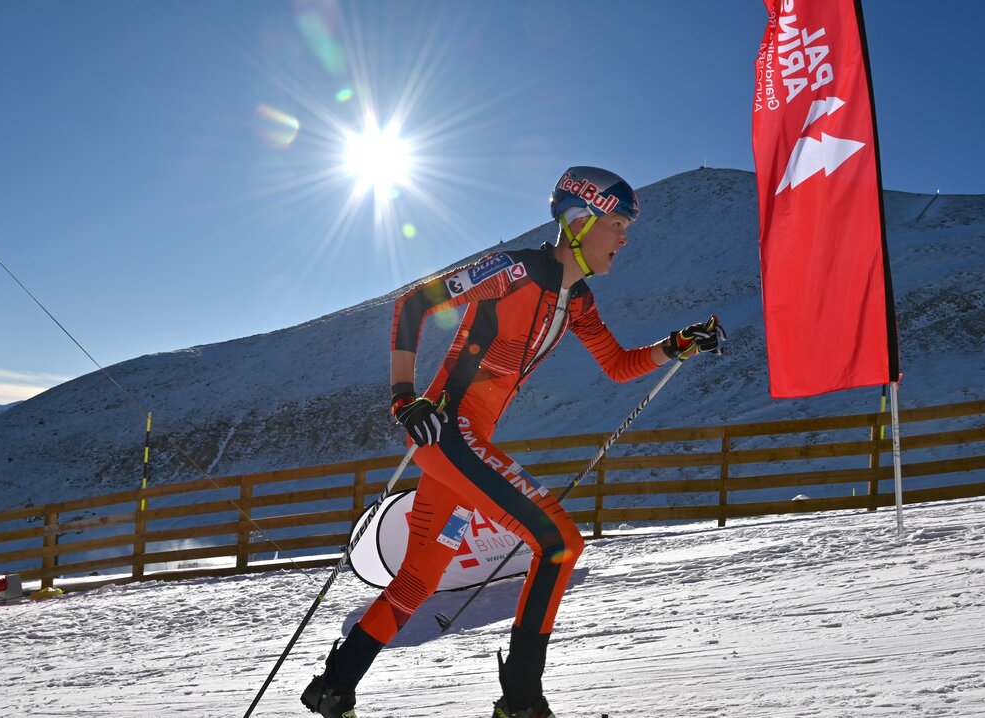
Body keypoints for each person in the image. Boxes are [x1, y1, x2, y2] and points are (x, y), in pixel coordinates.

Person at [302, 166, 725, 718]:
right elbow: (414, 304)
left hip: (461, 447)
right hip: (447, 431)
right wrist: (406, 399)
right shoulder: (516, 270)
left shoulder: (578, 302)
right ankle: (521, 702)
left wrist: (681, 343)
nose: (625, 238)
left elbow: (619, 366)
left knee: (420, 577)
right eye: (617, 223)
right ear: (579, 221)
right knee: (559, 543)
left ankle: (334, 687)